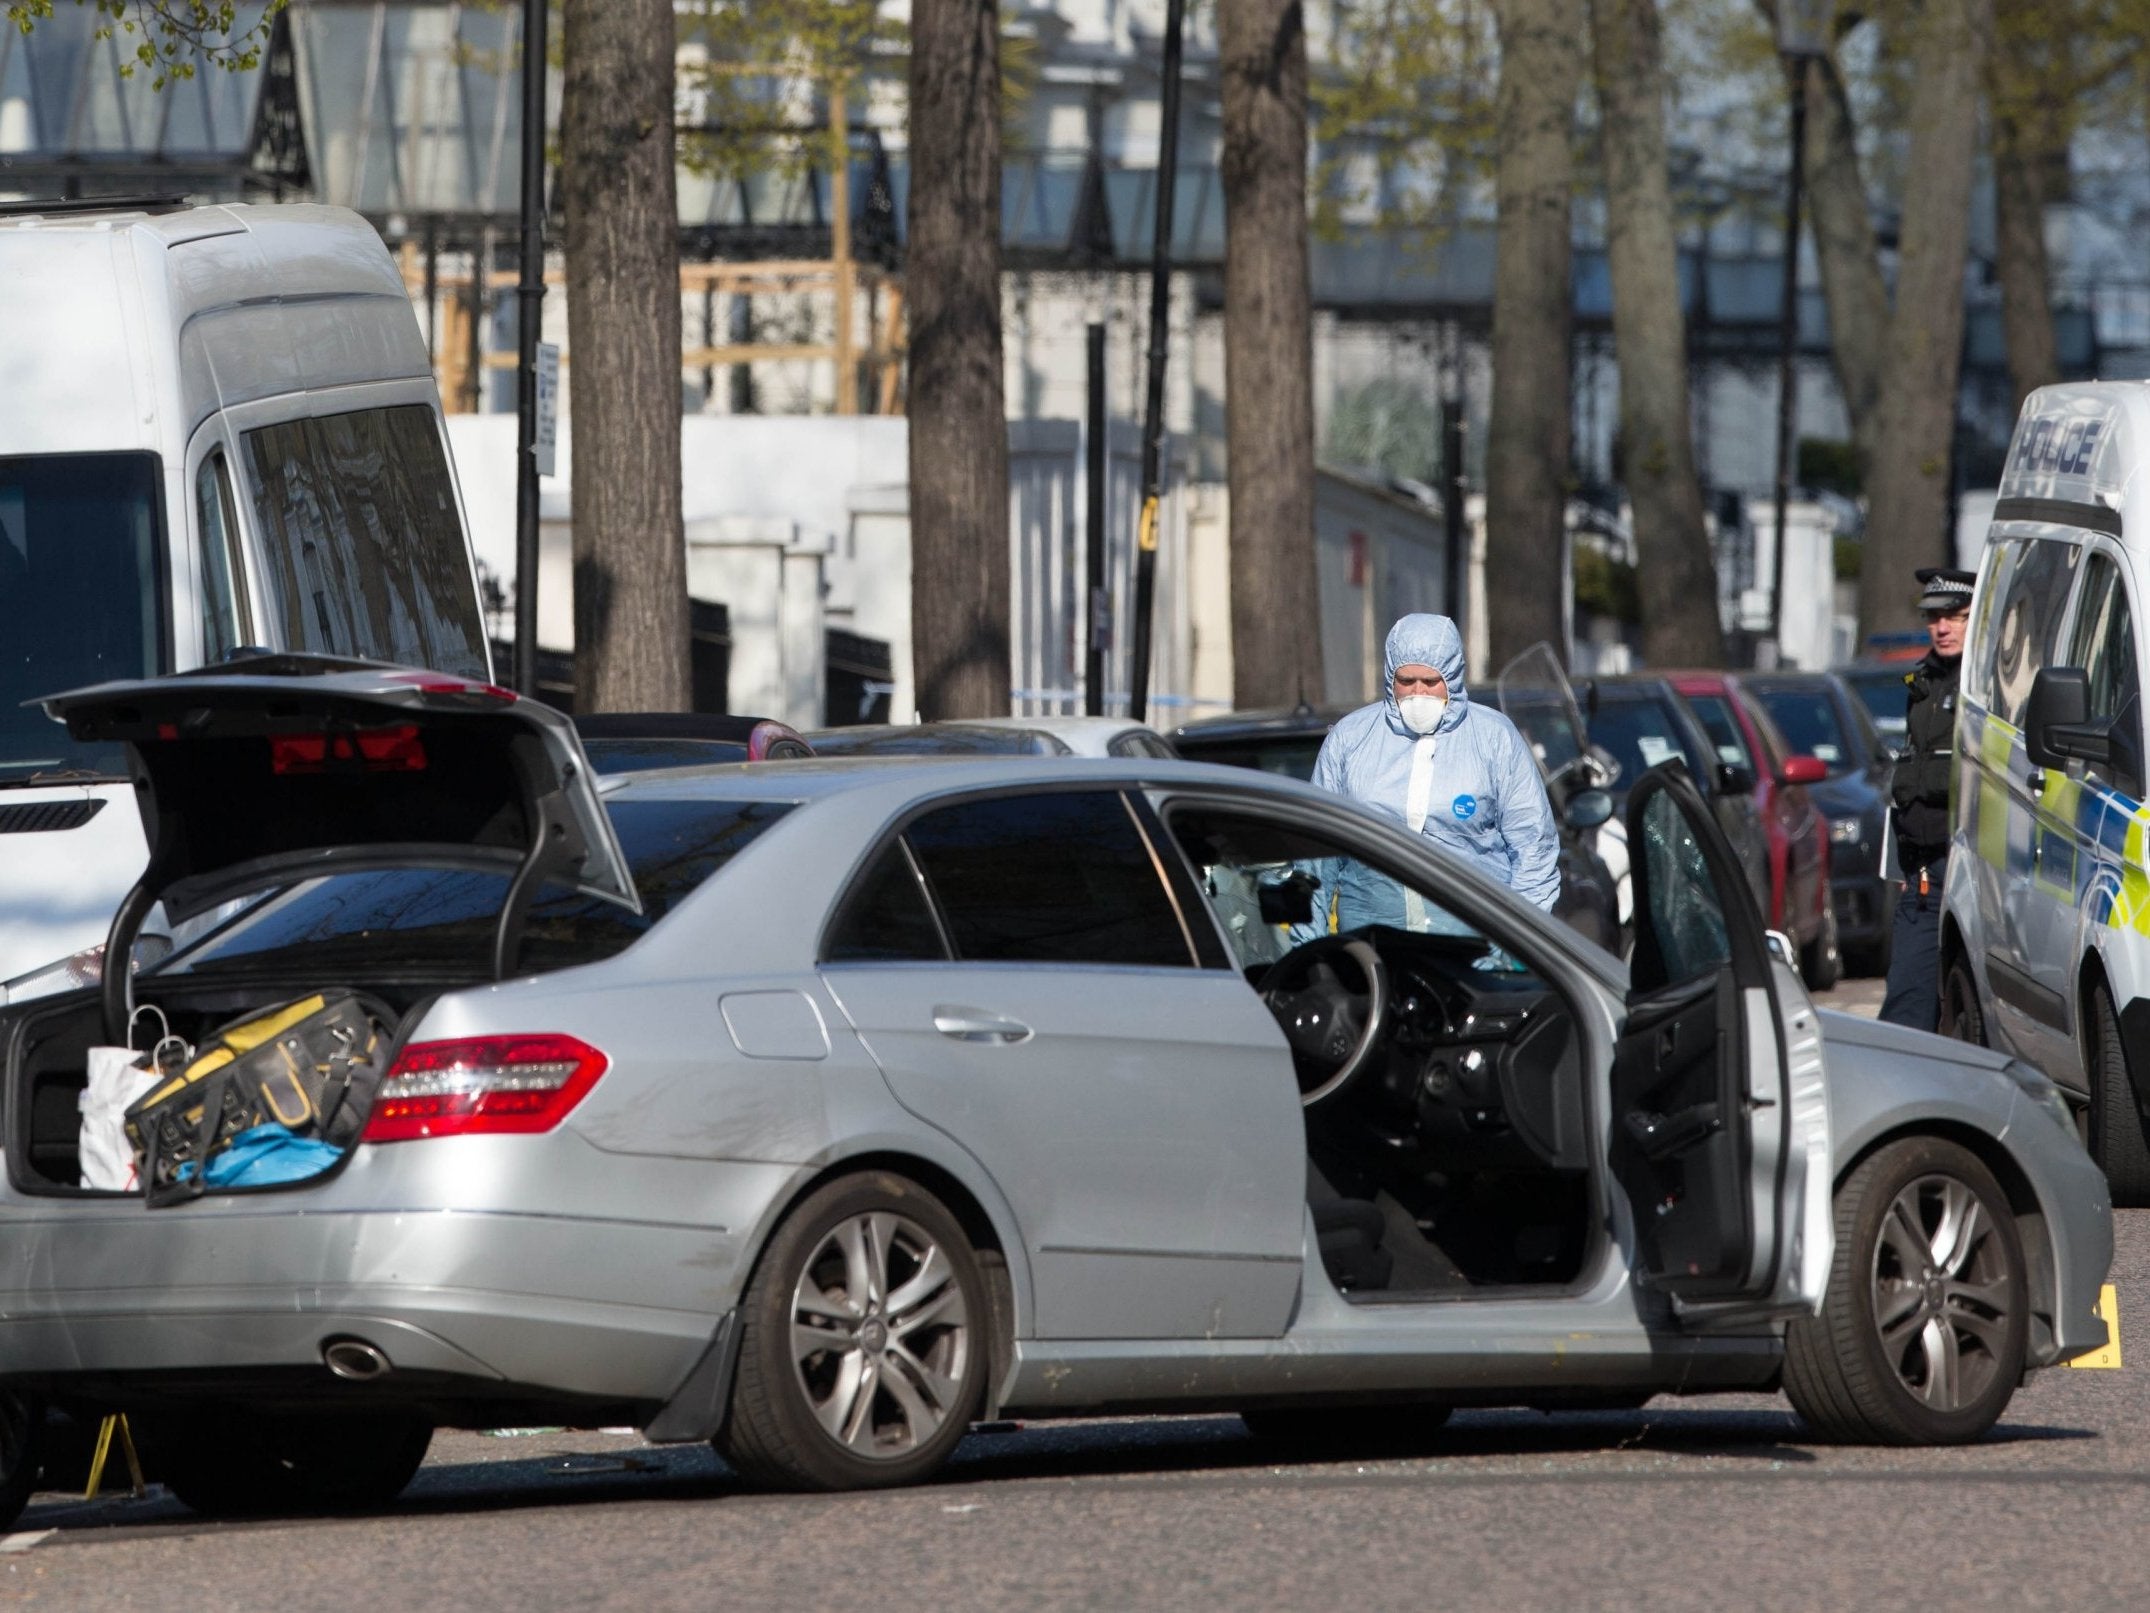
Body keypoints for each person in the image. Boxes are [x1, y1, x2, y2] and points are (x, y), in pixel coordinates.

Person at [1305, 613, 1560, 932]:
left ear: (1452, 678)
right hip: (1373, 949)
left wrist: (1519, 945)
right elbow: (1316, 851)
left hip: (1474, 951)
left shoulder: (1494, 738)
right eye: (1406, 682)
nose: (1418, 694)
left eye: (1430, 682)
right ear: (1389, 679)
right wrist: (1312, 950)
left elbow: (1533, 847)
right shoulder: (1351, 738)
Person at [1879, 565, 1973, 1030]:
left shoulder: (1987, 684)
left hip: (1970, 868)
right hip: (1921, 871)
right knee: (1907, 1006)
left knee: (1972, 1011)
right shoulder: (1923, 683)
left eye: (1956, 616)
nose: (1942, 627)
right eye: (1935, 616)